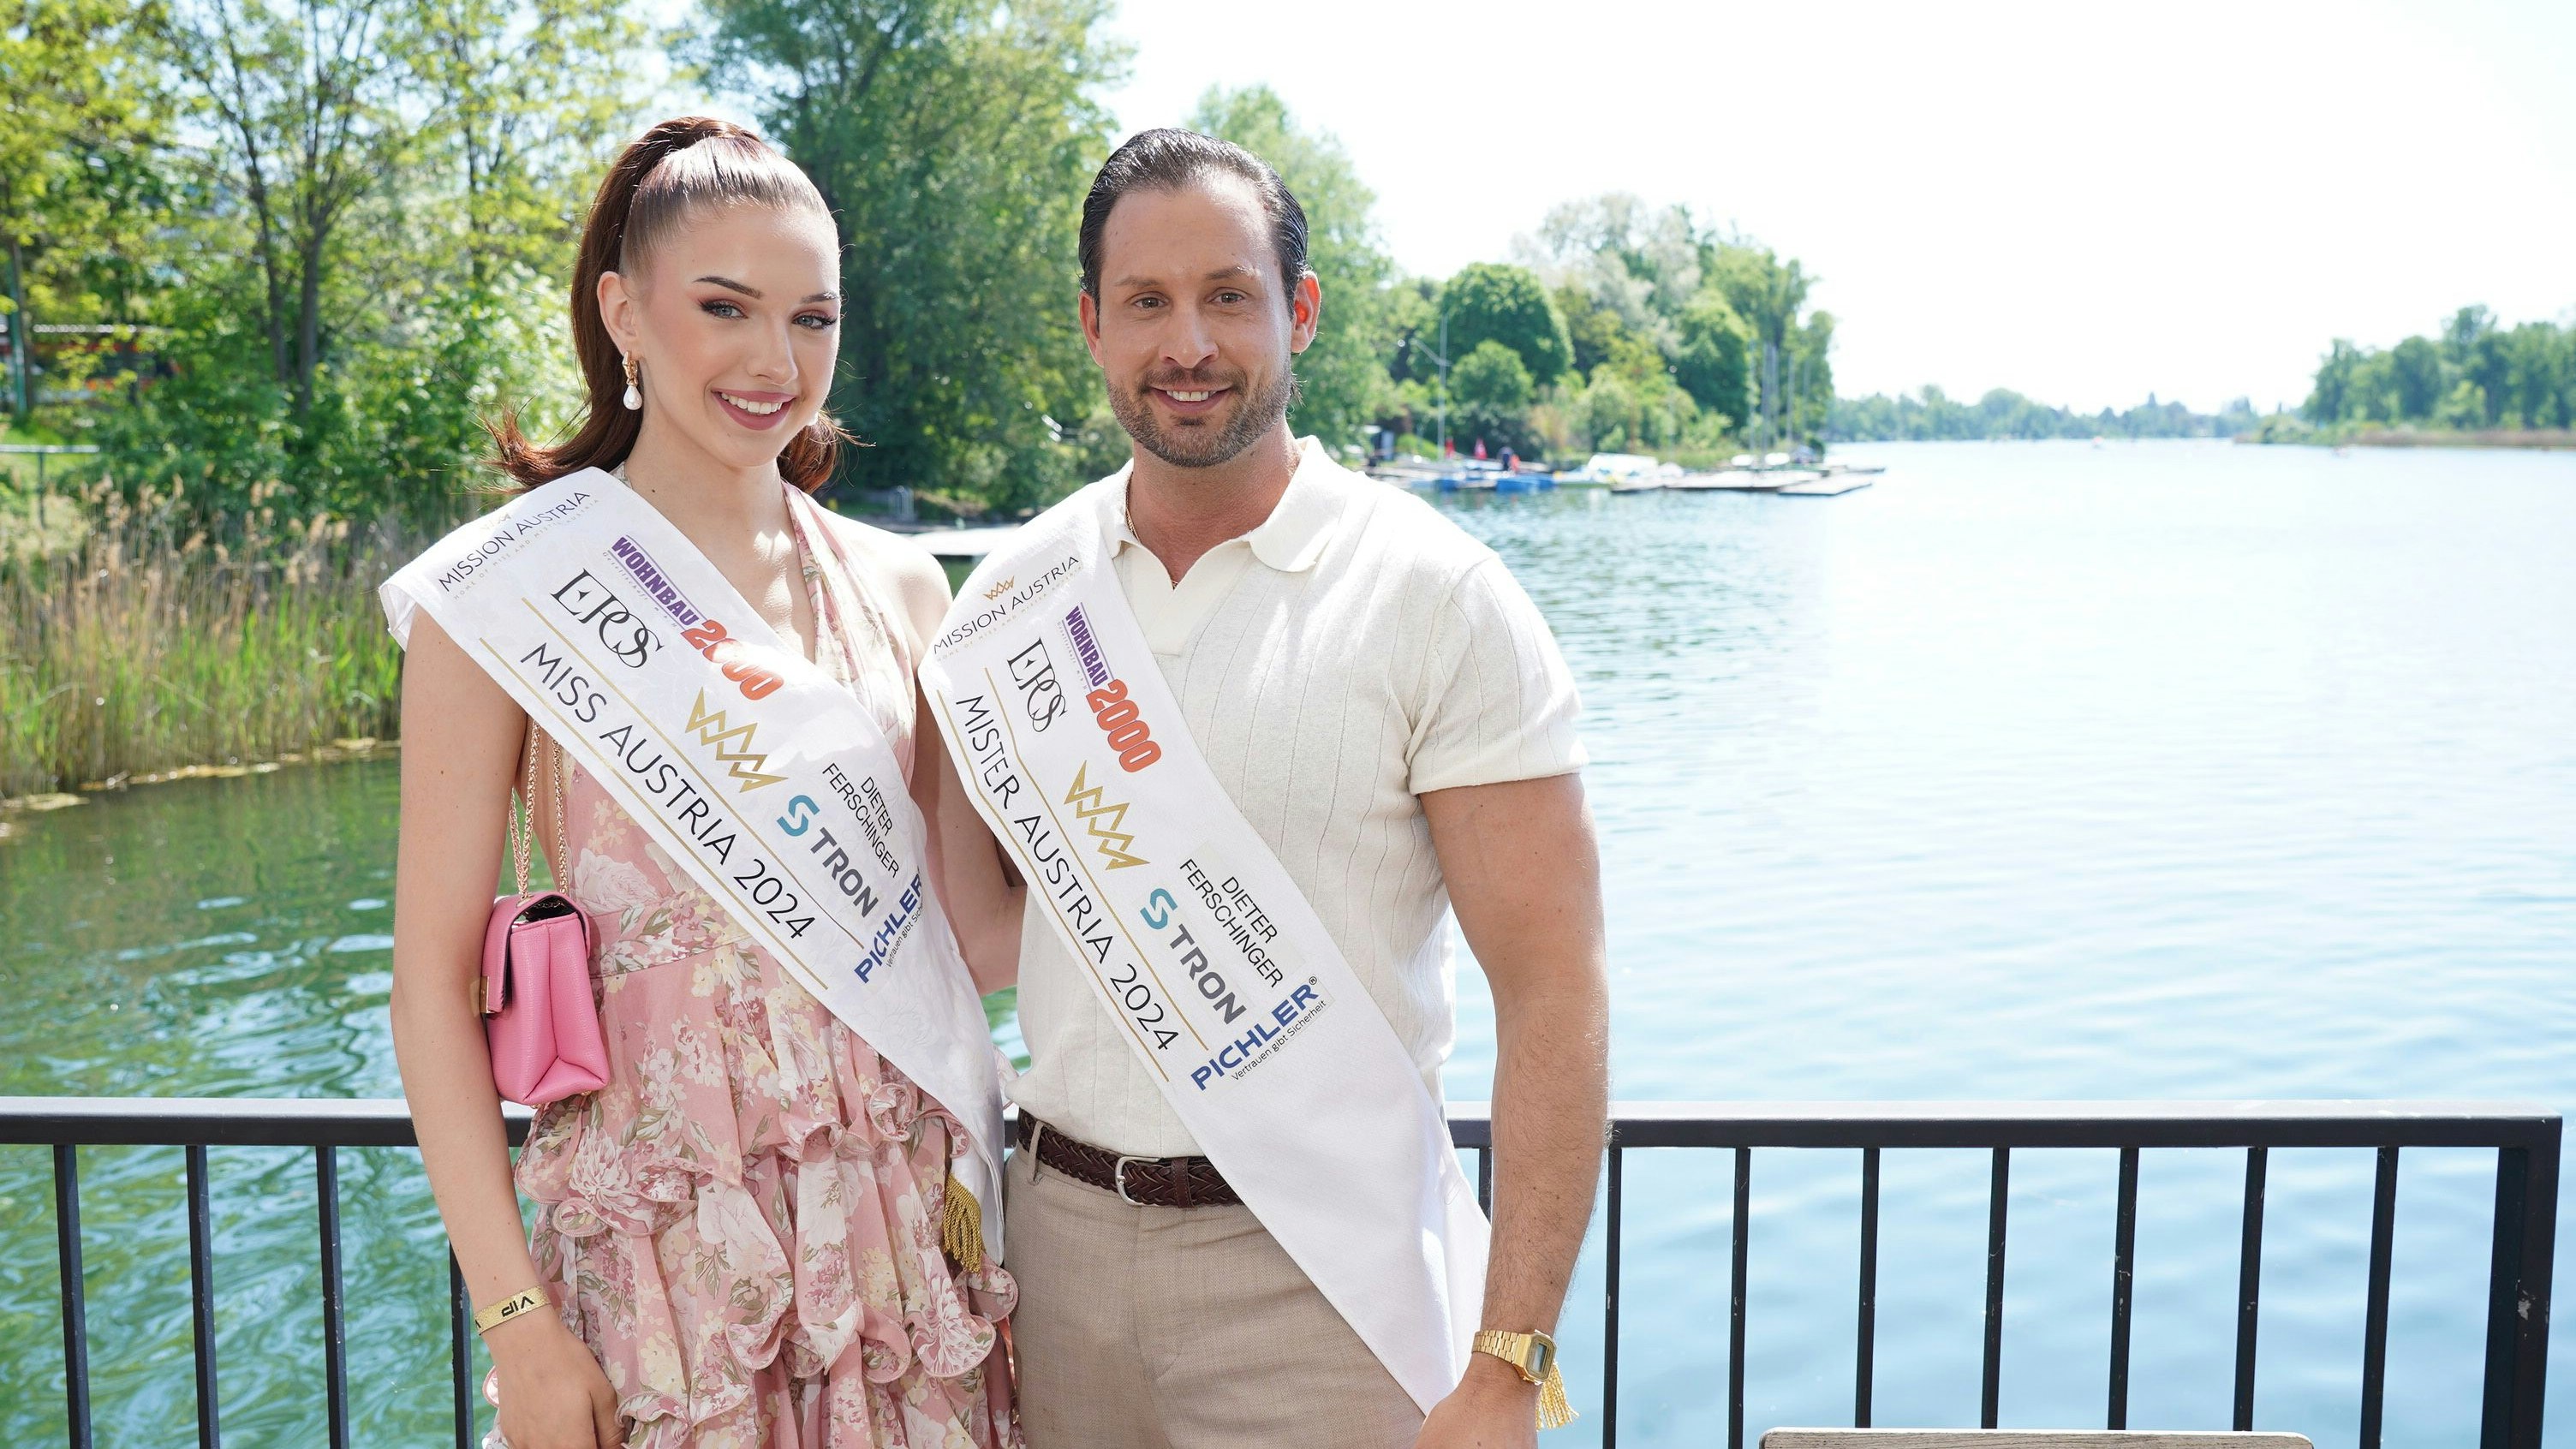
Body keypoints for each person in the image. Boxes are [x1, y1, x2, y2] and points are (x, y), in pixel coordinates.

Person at [921, 129, 1610, 1448]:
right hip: (1059, 1266)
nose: (1188, 342)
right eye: (1146, 302)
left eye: (1227, 295)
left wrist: (1510, 1359)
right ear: (1091, 325)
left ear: (1298, 311)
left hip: (1330, 1284)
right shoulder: (1014, 598)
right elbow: (988, 939)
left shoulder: (1438, 597)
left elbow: (1556, 991)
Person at [386, 117, 1023, 1449]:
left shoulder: (899, 587)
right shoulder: (507, 599)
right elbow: (429, 989)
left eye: (813, 318)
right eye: (723, 308)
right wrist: (518, 1328)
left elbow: (974, 938)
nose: (773, 362)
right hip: (663, 1271)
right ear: (623, 311)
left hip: (903, 1243)